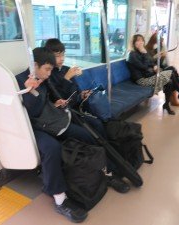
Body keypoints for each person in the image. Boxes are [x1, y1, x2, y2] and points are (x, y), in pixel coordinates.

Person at [44, 38, 130, 193]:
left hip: (76, 111)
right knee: (89, 135)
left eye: (62, 54)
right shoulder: (48, 75)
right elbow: (55, 97)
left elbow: (74, 93)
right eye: (57, 55)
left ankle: (111, 161)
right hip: (62, 117)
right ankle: (108, 171)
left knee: (98, 125)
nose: (61, 58)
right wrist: (66, 79)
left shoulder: (65, 70)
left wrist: (82, 94)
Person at [16, 47, 90, 223]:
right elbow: (30, 112)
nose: (49, 74)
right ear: (35, 65)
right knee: (51, 148)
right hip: (31, 126)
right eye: (47, 69)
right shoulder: (20, 81)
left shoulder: (43, 79)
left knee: (83, 134)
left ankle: (94, 170)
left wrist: (54, 102)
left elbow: (44, 102)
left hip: (49, 120)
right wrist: (29, 92)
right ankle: (60, 199)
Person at [126, 34, 175, 115]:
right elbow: (144, 66)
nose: (141, 42)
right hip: (141, 80)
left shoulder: (139, 52)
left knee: (170, 79)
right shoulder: (132, 54)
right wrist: (145, 53)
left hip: (147, 75)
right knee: (171, 76)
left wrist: (154, 66)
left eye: (142, 40)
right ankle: (178, 96)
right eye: (138, 40)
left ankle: (167, 104)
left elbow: (150, 62)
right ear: (133, 43)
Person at [145, 33, 179, 106]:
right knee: (172, 73)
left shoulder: (157, 48)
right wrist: (156, 57)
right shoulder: (146, 50)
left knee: (172, 72)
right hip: (152, 72)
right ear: (153, 42)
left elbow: (159, 63)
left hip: (158, 69)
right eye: (158, 43)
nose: (159, 45)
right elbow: (148, 63)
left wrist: (162, 56)